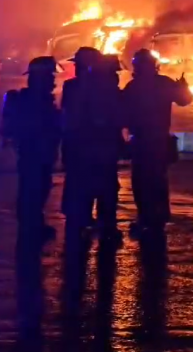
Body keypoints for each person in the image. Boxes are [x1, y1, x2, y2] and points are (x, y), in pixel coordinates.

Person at [123, 48, 193, 236]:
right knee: (158, 180)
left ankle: (146, 218)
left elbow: (122, 113)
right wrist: (183, 88)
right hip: (159, 140)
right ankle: (158, 219)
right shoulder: (164, 83)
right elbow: (185, 100)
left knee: (141, 181)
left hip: (142, 141)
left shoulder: (133, 86)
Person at [61, 49, 126, 244]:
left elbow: (68, 116)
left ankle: (81, 224)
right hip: (103, 146)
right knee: (106, 186)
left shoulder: (72, 87)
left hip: (80, 146)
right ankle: (106, 226)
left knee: (81, 185)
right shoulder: (109, 90)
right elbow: (120, 115)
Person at [2, 56, 61, 242]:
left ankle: (33, 225)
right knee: (33, 191)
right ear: (40, 78)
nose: (53, 80)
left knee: (38, 189)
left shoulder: (38, 100)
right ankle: (31, 229)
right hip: (34, 154)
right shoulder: (30, 102)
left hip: (40, 155)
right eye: (50, 75)